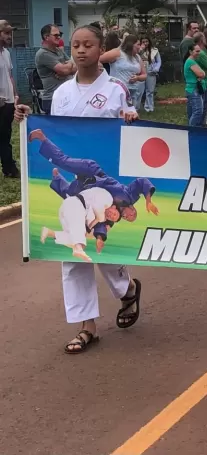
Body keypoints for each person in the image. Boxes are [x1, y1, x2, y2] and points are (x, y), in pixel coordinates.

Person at [14, 24, 143, 354]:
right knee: (74, 253)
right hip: (76, 188)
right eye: (76, 45)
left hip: (103, 182)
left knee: (105, 250)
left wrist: (131, 118)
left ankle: (127, 290)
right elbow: (57, 132)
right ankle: (87, 327)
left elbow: (130, 129)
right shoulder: (61, 94)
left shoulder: (115, 89)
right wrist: (30, 120)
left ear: (101, 49)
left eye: (89, 44)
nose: (82, 50)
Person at [35, 24, 76, 114]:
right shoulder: (43, 54)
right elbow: (65, 70)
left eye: (59, 34)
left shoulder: (59, 50)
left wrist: (67, 67)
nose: (59, 37)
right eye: (56, 35)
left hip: (67, 97)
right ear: (46, 37)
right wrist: (68, 67)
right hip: (52, 99)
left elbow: (76, 68)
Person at [100, 34, 146, 105]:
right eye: (138, 44)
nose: (139, 47)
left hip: (133, 92)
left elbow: (144, 75)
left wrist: (138, 78)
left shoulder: (137, 57)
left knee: (130, 114)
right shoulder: (118, 53)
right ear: (131, 44)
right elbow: (98, 59)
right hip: (117, 91)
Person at [0, 20, 19, 178]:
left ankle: (9, 168)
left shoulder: (6, 53)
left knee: (5, 136)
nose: (9, 36)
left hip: (8, 102)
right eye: (6, 33)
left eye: (10, 33)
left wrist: (15, 95)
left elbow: (10, 76)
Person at [183, 44, 207, 127]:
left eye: (199, 51)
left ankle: (190, 129)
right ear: (190, 52)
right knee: (198, 111)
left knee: (192, 112)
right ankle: (193, 129)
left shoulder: (191, 61)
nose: (199, 53)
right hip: (193, 90)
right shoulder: (191, 62)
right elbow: (201, 74)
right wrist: (203, 73)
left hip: (191, 89)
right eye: (197, 51)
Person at [139, 38, 161, 112]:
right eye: (143, 42)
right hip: (140, 69)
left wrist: (156, 68)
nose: (145, 43)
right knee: (139, 89)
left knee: (150, 90)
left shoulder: (154, 50)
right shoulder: (138, 50)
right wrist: (141, 49)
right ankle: (137, 107)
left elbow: (159, 61)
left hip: (151, 69)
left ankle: (149, 108)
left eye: (147, 41)